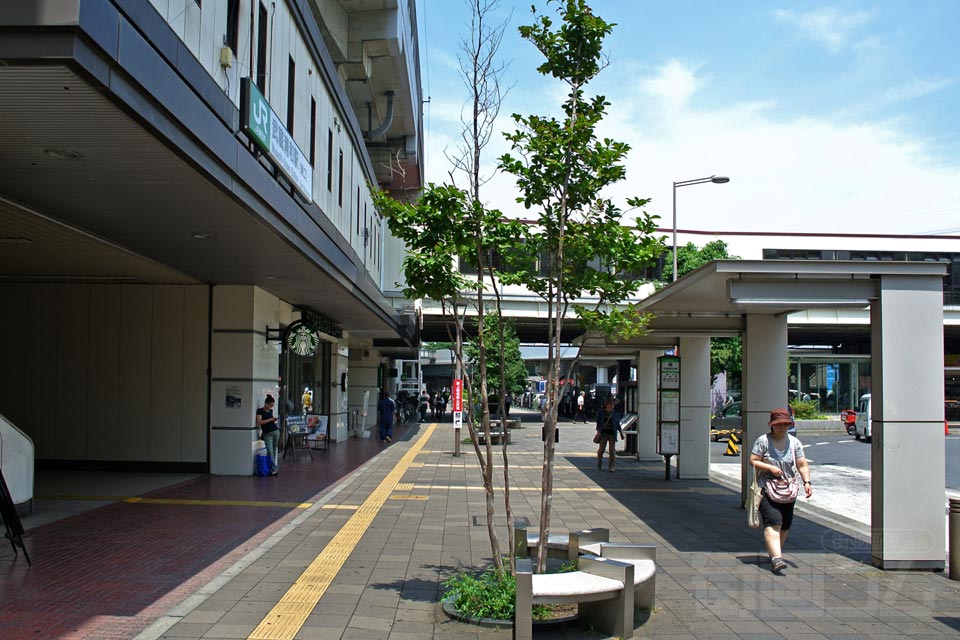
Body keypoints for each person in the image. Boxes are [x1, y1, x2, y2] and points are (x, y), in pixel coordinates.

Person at [749, 408, 813, 574]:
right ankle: (777, 558)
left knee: (785, 525)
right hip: (766, 487)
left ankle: (774, 554)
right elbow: (753, 461)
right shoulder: (763, 441)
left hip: (787, 490)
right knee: (773, 521)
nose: (782, 427)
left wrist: (807, 481)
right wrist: (770, 467)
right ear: (771, 425)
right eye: (779, 424)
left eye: (785, 424)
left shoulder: (794, 443)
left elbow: (802, 464)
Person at [595, 397, 623, 472]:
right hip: (603, 433)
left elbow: (617, 423)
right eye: (610, 404)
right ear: (606, 405)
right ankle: (599, 460)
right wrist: (598, 431)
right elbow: (598, 422)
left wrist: (621, 433)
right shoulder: (601, 412)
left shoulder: (614, 413)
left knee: (612, 450)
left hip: (612, 433)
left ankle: (611, 466)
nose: (611, 406)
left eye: (612, 405)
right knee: (601, 449)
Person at [256, 395, 280, 476]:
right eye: (270, 405)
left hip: (275, 431)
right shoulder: (260, 411)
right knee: (270, 451)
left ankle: (272, 469)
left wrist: (274, 420)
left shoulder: (271, 411)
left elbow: (271, 421)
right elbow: (259, 422)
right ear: (265, 403)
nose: (271, 407)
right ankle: (274, 468)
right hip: (267, 434)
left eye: (272, 405)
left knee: (273, 450)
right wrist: (271, 419)